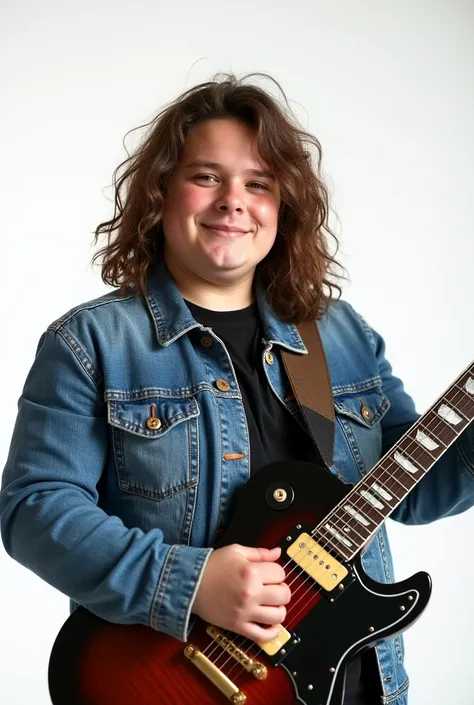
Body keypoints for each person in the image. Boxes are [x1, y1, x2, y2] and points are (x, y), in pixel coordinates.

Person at [1, 73, 473, 705]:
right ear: (160, 193)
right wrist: (187, 583)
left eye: (258, 183)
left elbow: (411, 487)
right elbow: (35, 511)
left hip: (357, 687)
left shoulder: (341, 334)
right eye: (205, 177)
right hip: (173, 681)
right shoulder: (91, 343)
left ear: (284, 207)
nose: (233, 201)